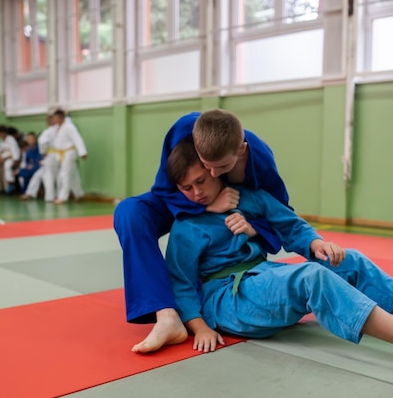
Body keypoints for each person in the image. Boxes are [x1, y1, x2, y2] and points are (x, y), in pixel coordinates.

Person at [165, 137, 393, 353]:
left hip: (262, 276)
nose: (197, 192)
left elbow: (290, 226)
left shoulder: (248, 198)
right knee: (312, 277)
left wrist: (316, 244)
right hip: (228, 300)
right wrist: (199, 327)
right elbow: (180, 283)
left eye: (200, 181)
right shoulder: (186, 226)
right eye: (187, 188)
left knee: (348, 260)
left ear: (211, 169)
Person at [114, 108, 290, 354]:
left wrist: (252, 228)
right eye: (208, 166)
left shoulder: (259, 159)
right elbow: (164, 190)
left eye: (223, 167)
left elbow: (283, 215)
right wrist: (207, 206)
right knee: (129, 212)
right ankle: (167, 315)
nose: (215, 173)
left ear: (240, 152)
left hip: (233, 208)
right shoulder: (185, 130)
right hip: (184, 201)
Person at [42, 108, 87, 204]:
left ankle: (63, 197)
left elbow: (77, 139)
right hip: (61, 153)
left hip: (68, 153)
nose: (53, 120)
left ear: (60, 117)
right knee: (73, 175)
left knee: (64, 174)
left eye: (54, 118)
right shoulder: (58, 127)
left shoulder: (69, 127)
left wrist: (82, 152)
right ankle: (79, 194)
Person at [0, 124, 21, 193]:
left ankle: (11, 184)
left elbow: (15, 153)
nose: (1, 135)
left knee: (7, 165)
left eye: (2, 133)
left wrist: (5, 158)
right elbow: (0, 151)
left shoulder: (11, 140)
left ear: (5, 133)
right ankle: (1, 188)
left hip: (12, 158)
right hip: (4, 157)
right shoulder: (1, 140)